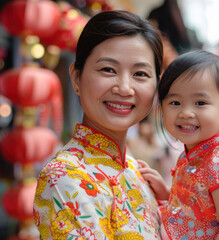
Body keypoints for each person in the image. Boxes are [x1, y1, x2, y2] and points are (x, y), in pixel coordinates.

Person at [33, 10, 164, 239]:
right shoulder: (65, 176)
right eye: (108, 70)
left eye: (140, 73)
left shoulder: (136, 168)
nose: (124, 88)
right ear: (76, 78)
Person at [138, 50, 219, 239]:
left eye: (200, 102)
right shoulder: (192, 156)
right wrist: (166, 192)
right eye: (175, 102)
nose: (186, 112)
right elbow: (198, 204)